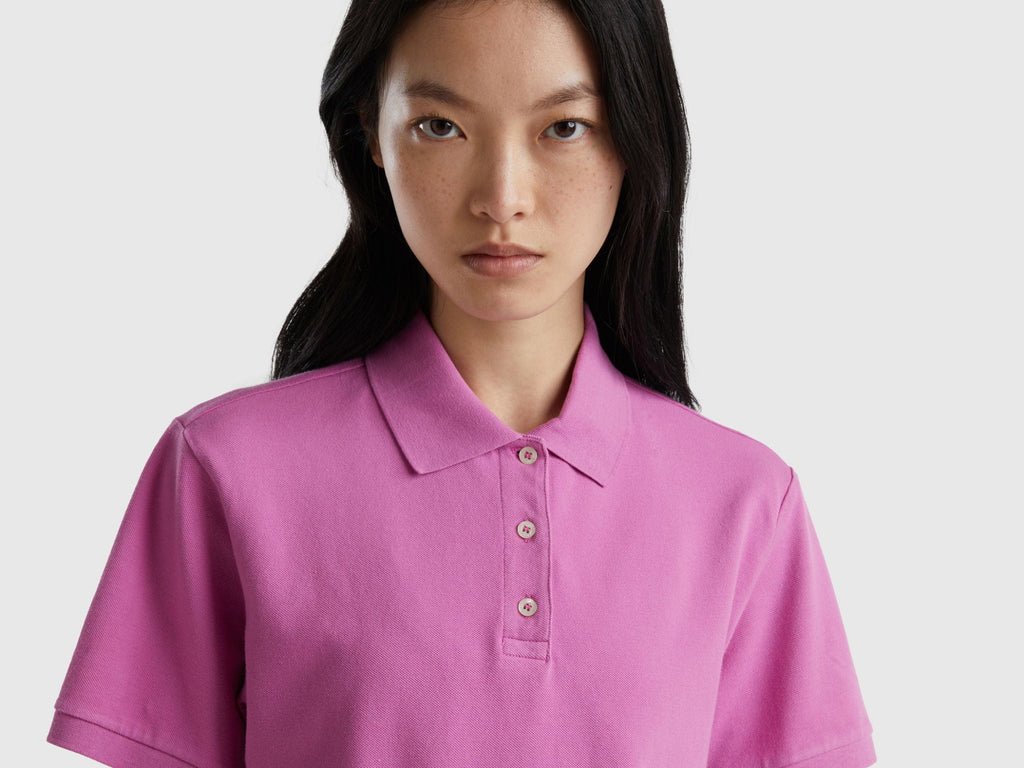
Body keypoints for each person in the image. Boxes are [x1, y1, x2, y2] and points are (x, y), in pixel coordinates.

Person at [47, 0, 876, 765]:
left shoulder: (744, 501)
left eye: (564, 128)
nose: (502, 199)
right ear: (372, 133)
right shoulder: (224, 468)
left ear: (634, 135)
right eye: (441, 125)